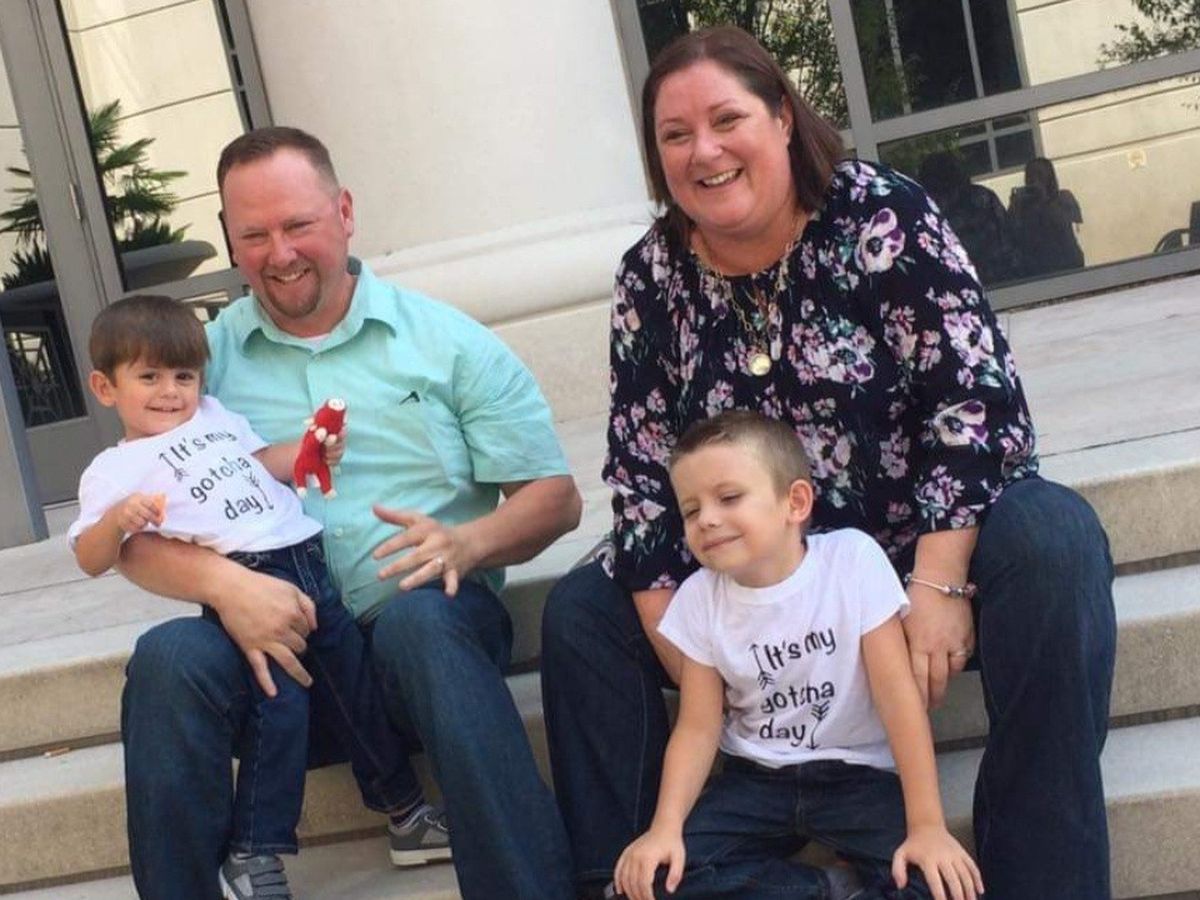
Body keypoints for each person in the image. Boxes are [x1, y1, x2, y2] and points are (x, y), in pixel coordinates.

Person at [540, 25, 1115, 900]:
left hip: (908, 548)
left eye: (726, 120)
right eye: (675, 135)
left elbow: (976, 404)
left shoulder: (881, 216)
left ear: (781, 116)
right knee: (581, 610)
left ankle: (1043, 877)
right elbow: (644, 477)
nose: (704, 151)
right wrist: (701, 659)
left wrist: (938, 585)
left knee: (1054, 539)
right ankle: (633, 875)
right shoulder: (652, 277)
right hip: (750, 571)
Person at [117, 127, 581, 900]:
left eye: (297, 225)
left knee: (420, 623)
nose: (280, 254)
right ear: (230, 237)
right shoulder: (198, 366)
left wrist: (468, 543)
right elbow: (130, 531)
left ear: (344, 212)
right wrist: (227, 588)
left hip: (422, 653)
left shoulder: (445, 342)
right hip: (280, 666)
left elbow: (555, 498)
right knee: (168, 658)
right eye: (254, 235)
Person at [69, 294, 445, 898]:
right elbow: (90, 555)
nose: (170, 392)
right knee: (281, 712)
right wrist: (118, 520)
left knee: (357, 693)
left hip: (308, 565)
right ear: (105, 387)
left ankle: (405, 813)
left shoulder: (214, 416)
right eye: (149, 377)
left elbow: (263, 462)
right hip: (249, 580)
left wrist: (307, 453)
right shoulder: (114, 470)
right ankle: (254, 850)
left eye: (183, 376)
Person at [610, 411, 982, 900]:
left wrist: (928, 826)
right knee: (656, 883)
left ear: (796, 502)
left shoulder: (852, 561)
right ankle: (823, 888)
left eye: (729, 498)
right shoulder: (700, 597)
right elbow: (698, 728)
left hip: (858, 776)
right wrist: (664, 828)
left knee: (936, 884)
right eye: (691, 510)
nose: (708, 520)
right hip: (755, 782)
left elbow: (898, 700)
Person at [917, 151, 1023, 284]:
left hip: (975, 279)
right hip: (1000, 275)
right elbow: (1007, 230)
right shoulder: (982, 195)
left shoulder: (931, 209)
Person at [1009, 156, 1084, 277]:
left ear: (1049, 177)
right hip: (1035, 270)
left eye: (1039, 175)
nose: (1034, 180)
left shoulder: (1063, 198)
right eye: (1030, 176)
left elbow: (1067, 227)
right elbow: (1012, 236)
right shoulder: (1022, 204)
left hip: (1067, 264)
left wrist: (1044, 199)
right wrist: (1015, 206)